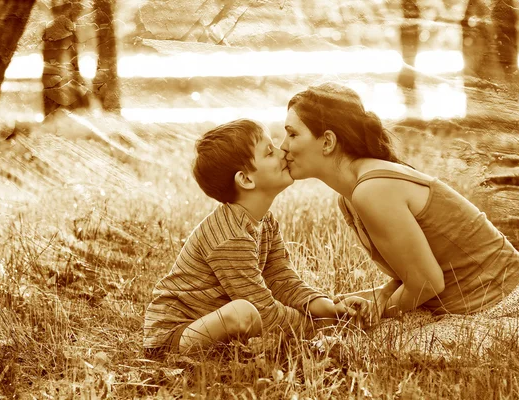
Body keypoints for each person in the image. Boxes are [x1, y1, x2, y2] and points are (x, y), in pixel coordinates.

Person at [280, 82, 519, 357]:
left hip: (505, 307)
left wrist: (377, 311)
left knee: (368, 348)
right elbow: (411, 275)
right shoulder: (350, 197)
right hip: (451, 305)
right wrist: (371, 299)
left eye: (292, 134)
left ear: (327, 141)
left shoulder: (372, 189)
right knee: (339, 327)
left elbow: (427, 282)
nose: (283, 145)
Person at [143, 119, 369, 359]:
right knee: (244, 313)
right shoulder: (230, 237)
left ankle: (230, 350)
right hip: (175, 335)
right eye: (269, 152)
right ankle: (206, 353)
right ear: (246, 180)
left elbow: (282, 280)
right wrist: (321, 326)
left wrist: (330, 309)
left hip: (209, 323)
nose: (283, 152)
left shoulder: (266, 223)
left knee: (247, 315)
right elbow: (264, 311)